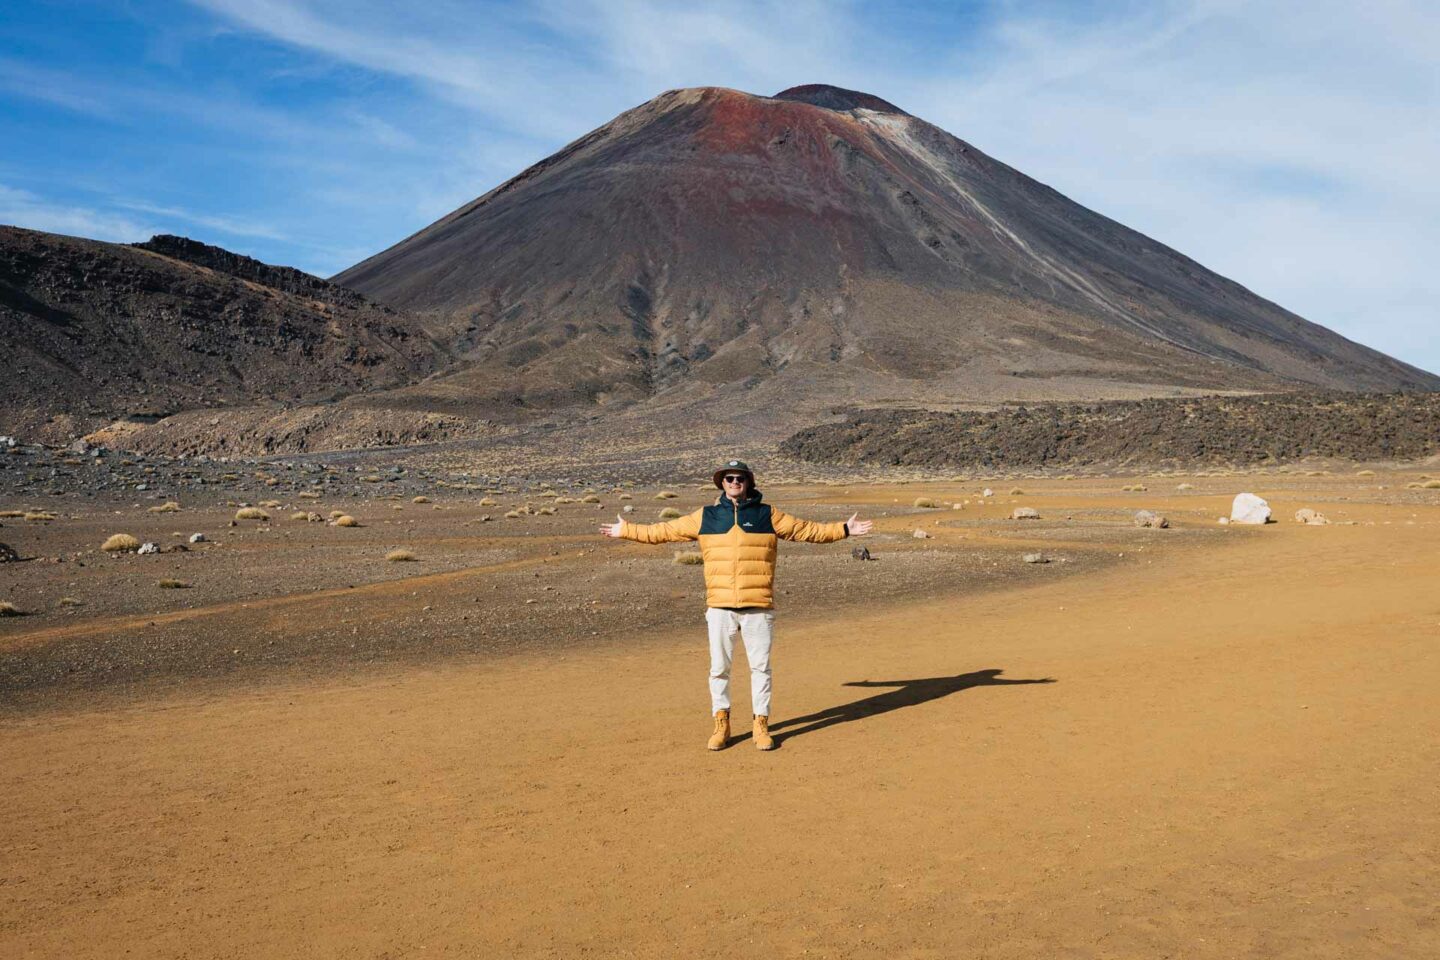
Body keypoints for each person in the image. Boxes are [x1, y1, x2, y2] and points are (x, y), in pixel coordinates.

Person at [600, 459, 873, 751]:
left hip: (758, 607)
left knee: (761, 669)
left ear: (748, 482)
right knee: (719, 669)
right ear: (721, 483)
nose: (734, 482)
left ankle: (761, 724)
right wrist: (627, 530)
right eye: (728, 478)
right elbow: (662, 531)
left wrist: (844, 529)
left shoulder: (767, 514)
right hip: (720, 608)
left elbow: (807, 530)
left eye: (739, 478)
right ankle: (722, 723)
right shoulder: (705, 517)